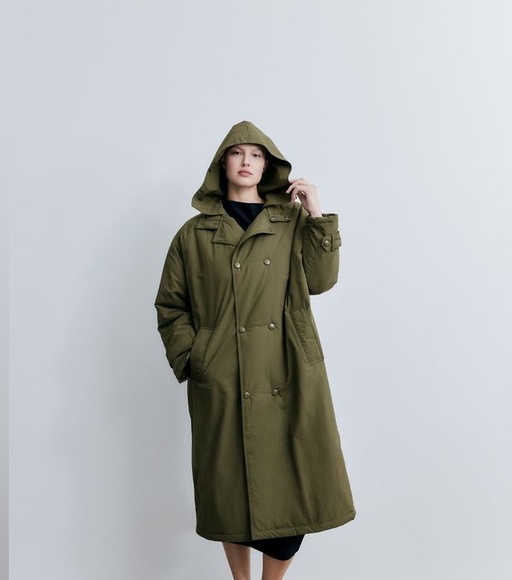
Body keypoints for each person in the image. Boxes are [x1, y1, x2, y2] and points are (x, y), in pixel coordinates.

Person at [155, 121, 355, 580]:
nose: (246, 161)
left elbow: (321, 281)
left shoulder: (292, 222)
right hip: (223, 372)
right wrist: (197, 358)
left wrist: (317, 215)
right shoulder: (194, 234)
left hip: (288, 367)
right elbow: (171, 305)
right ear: (222, 163)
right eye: (237, 152)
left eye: (256, 154)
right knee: (230, 489)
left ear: (268, 166)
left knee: (295, 485)